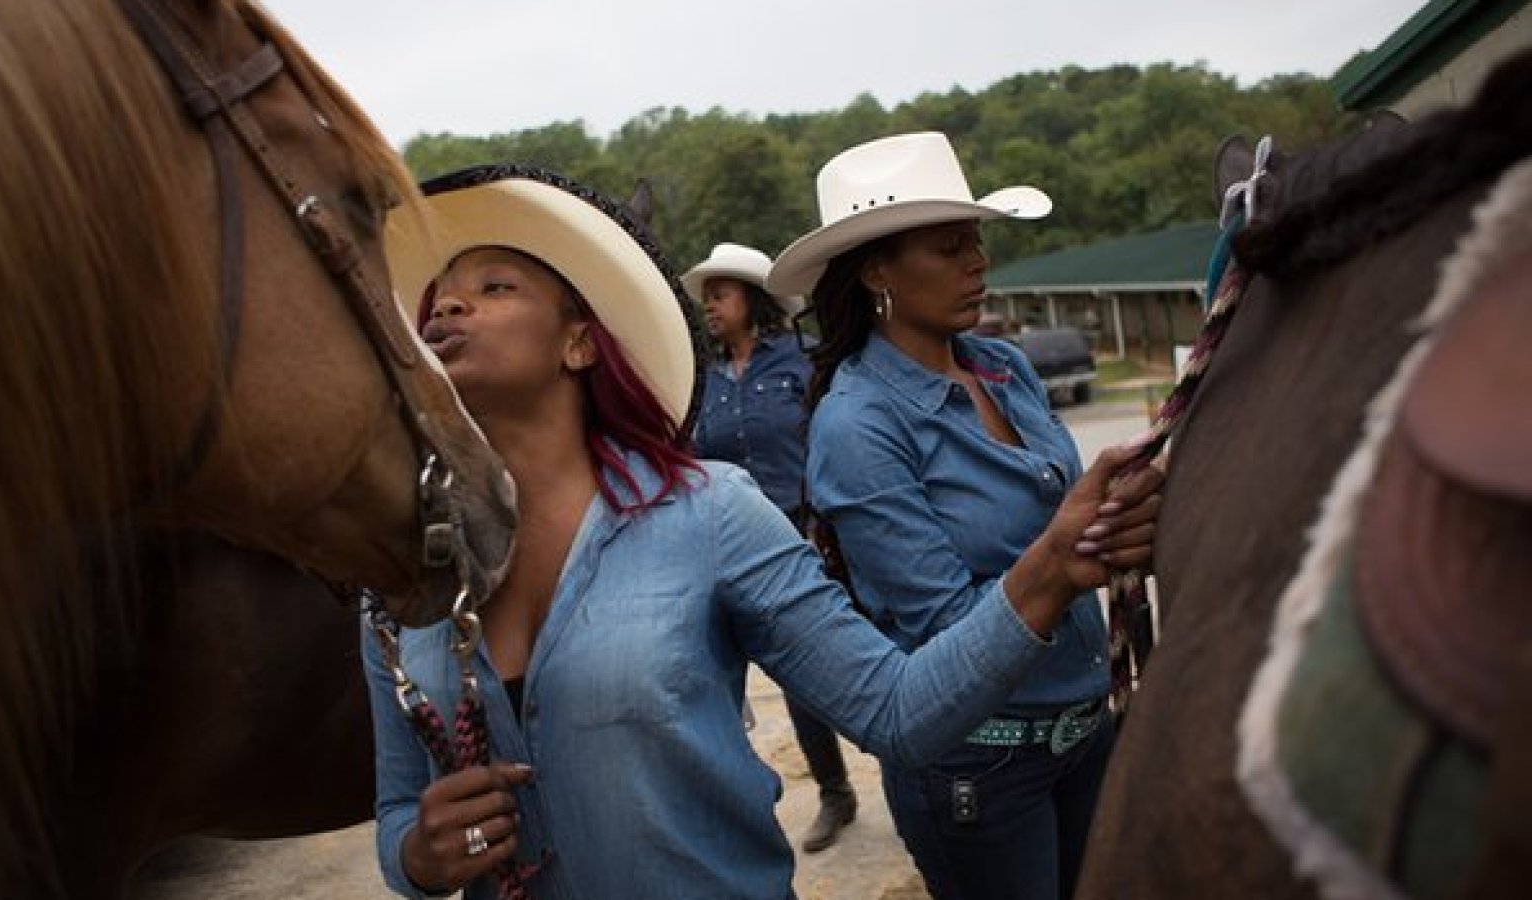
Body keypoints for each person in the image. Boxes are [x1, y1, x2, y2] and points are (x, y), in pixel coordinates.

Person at [364, 162, 1161, 900]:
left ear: (580, 341)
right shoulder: (402, 567)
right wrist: (416, 859)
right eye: (439, 297)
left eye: (493, 285)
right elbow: (400, 809)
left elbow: (896, 714)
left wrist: (1051, 569)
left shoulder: (708, 515)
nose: (450, 306)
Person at [767, 131, 1139, 900]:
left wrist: (1127, 524)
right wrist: (1061, 560)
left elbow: (1071, 519)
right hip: (981, 770)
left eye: (975, 240)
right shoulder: (859, 425)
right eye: (949, 246)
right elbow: (940, 631)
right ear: (876, 270)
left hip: (1083, 732)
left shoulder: (1006, 367)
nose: (979, 261)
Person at [682, 242, 858, 852]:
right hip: (728, 542)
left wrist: (825, 523)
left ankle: (867, 778)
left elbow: (831, 446)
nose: (709, 307)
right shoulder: (700, 379)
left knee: (822, 667)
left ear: (752, 302)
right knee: (753, 672)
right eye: (705, 298)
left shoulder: (802, 362)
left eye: (720, 295)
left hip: (806, 532)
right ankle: (824, 792)